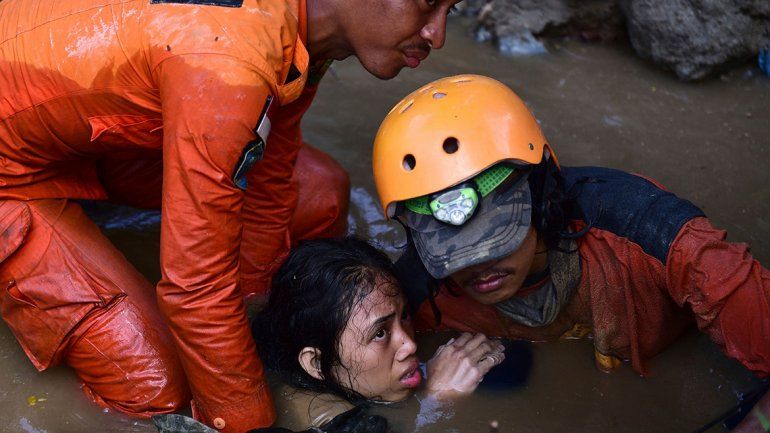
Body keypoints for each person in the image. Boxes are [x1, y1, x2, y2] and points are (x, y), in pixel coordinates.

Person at [0, 0, 460, 431]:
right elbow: (194, 287)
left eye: (450, 10)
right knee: (155, 385)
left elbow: (268, 183)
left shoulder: (301, 37)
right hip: (11, 172)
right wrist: (248, 418)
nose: (436, 34)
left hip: (85, 136)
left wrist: (262, 330)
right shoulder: (232, 64)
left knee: (319, 194)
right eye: (426, 3)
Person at [371, 75, 770, 432]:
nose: (476, 265)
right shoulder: (415, 292)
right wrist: (432, 402)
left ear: (542, 194)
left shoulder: (660, 240)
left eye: (495, 238)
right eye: (453, 252)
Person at [251, 237, 506, 432]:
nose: (409, 344)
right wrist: (435, 404)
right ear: (316, 363)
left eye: (404, 315)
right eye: (380, 333)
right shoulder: (328, 419)